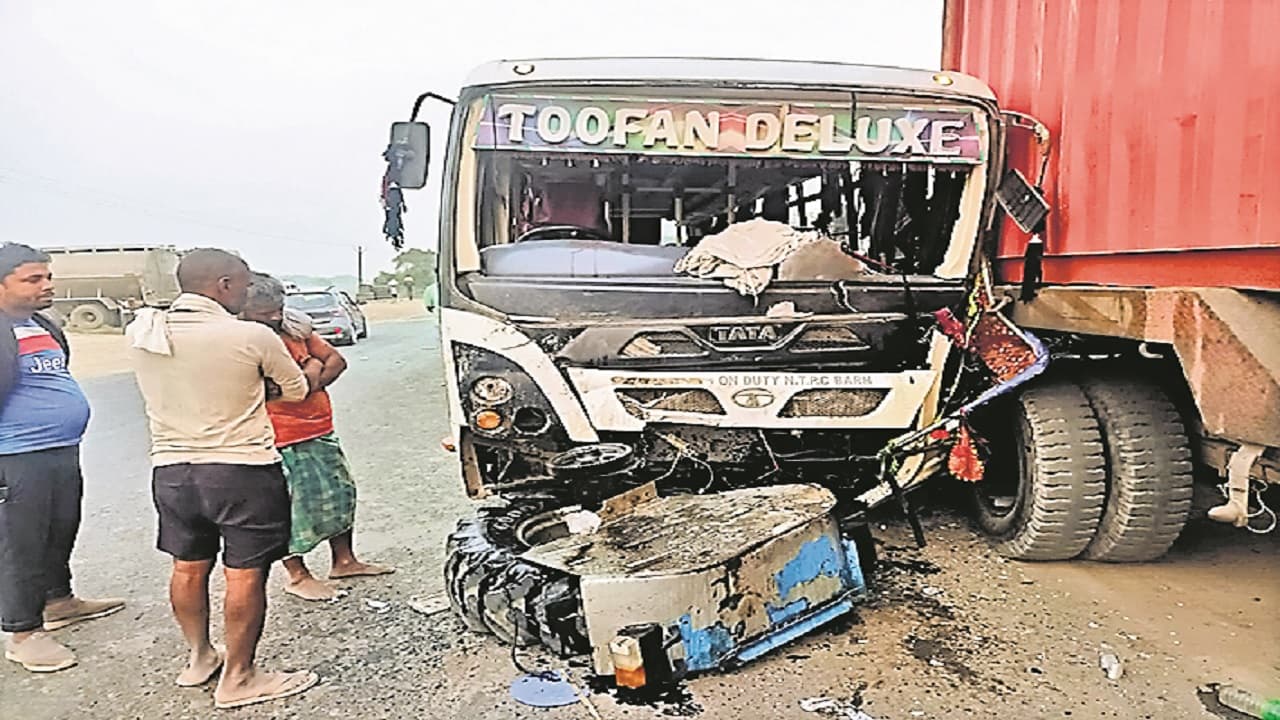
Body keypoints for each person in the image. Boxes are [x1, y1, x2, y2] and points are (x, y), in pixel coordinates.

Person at [128, 248, 318, 710]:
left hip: (172, 471)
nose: (248, 294)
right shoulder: (250, 335)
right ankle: (240, 677)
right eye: (244, 285)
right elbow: (296, 390)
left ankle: (199, 658)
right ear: (224, 285)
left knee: (187, 567)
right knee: (245, 573)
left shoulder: (144, 331)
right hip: (241, 469)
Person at [0, 243, 124, 673]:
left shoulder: (41, 323)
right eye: (33, 279)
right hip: (16, 454)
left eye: (47, 276)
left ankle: (58, 601)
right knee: (21, 541)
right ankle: (22, 632)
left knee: (60, 527)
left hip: (60, 447)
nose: (47, 285)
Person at [240, 274, 391, 601]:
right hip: (278, 439)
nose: (275, 316)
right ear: (242, 309)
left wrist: (307, 382)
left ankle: (344, 561)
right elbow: (269, 390)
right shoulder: (241, 341)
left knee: (340, 493)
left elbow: (336, 361)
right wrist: (309, 370)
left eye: (278, 308)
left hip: (319, 429)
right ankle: (298, 575)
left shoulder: (294, 329)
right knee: (291, 509)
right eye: (265, 312)